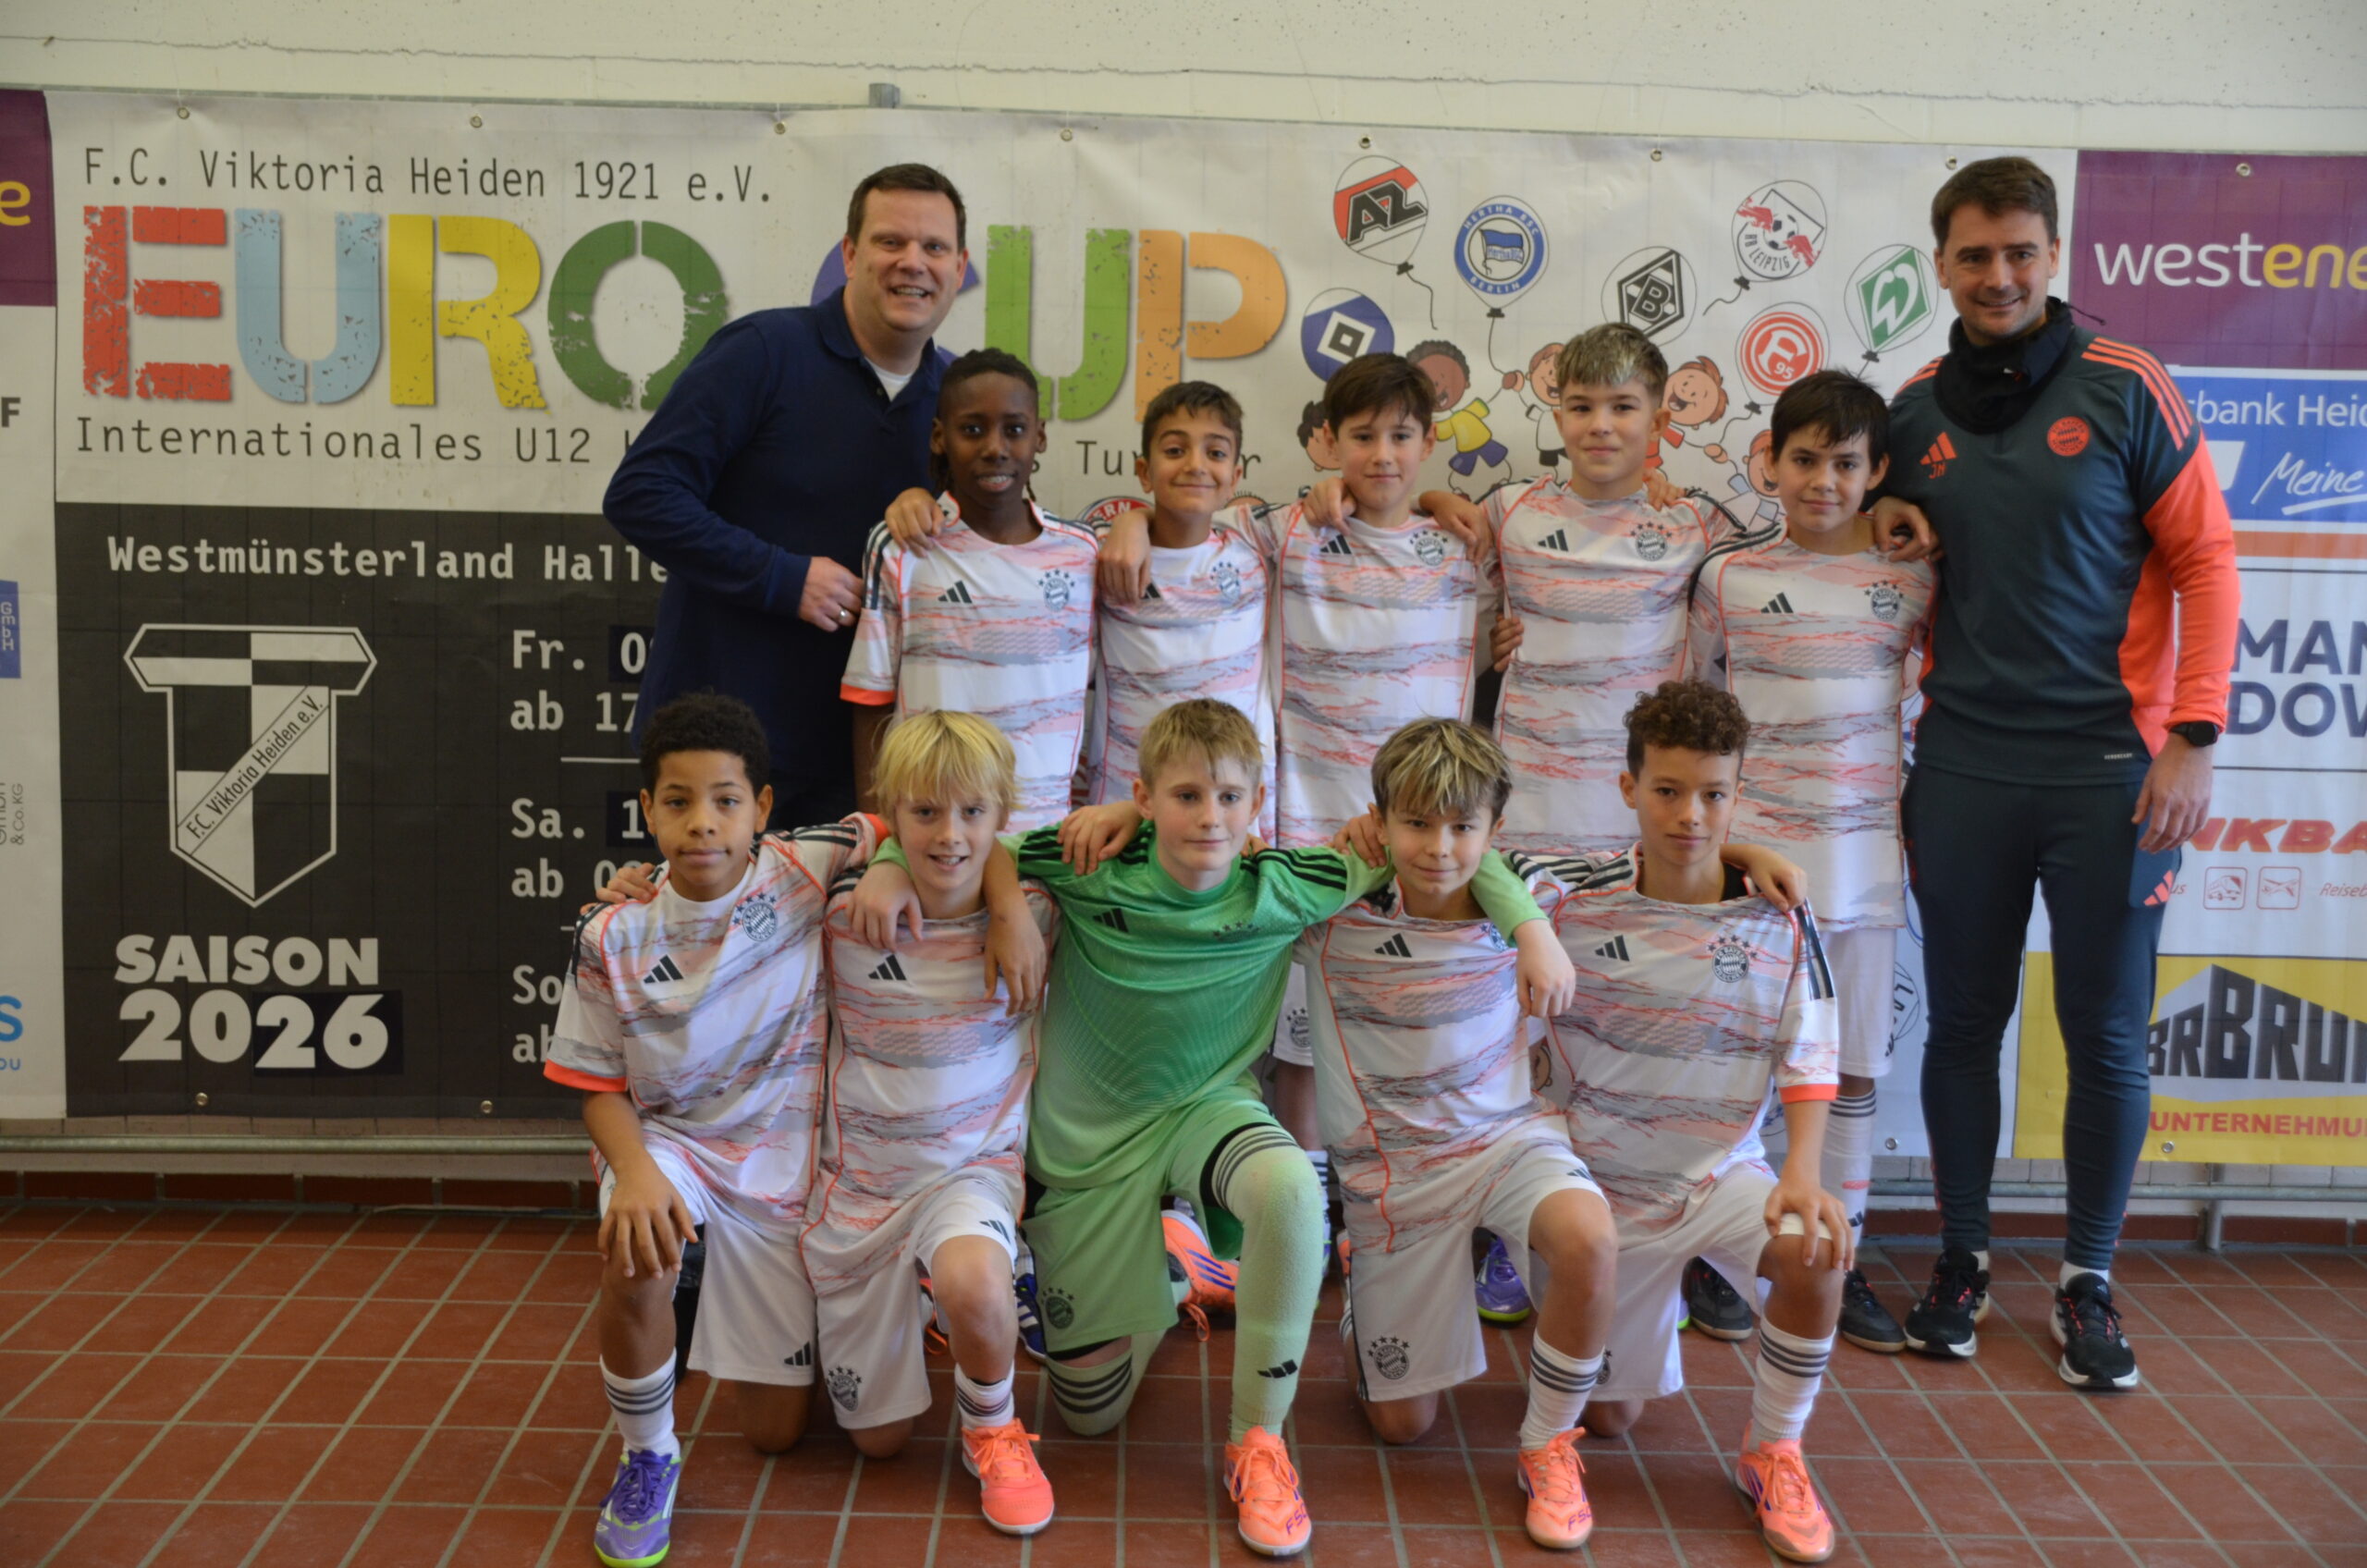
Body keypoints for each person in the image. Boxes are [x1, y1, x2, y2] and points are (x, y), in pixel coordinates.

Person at [847, 697, 1576, 1558]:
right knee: (1090, 1414)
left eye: (1229, 798)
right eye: (1186, 797)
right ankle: (1171, 1268)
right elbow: (977, 845)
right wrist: (898, 865)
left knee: (1292, 1189)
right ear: (1143, 797)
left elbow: (1459, 855)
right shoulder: (1087, 862)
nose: (1210, 818)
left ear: (1258, 803)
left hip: (1210, 1113)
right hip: (1088, 1149)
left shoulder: (1287, 883)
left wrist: (1530, 926)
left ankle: (1258, 1444)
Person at [1872, 157, 2238, 1388]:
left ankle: (2088, 1278)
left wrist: (2193, 735)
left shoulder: (2127, 383)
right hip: (1962, 770)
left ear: (2054, 255)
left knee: (2107, 1034)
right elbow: (1869, 547)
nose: (1999, 276)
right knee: (1964, 1023)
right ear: (1940, 264)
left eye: (2021, 252)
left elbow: (2209, 561)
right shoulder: (1909, 414)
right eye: (1975, 255)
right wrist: (1882, 525)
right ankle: (1961, 1261)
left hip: (2111, 777)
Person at [546, 693, 1037, 1568]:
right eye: (678, 803)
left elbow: (936, 821)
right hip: (673, 1149)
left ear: (763, 808)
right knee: (636, 1249)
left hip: (781, 1177)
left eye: (726, 801)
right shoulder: (611, 931)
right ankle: (647, 1455)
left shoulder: (804, 868)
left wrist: (981, 895)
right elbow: (596, 1087)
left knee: (781, 1433)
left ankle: (916, 1315)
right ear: (648, 810)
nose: (704, 823)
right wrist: (637, 1173)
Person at [1098, 353, 1491, 1270]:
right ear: (1325, 441)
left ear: (1430, 442)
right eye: (1362, 435)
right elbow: (1182, 514)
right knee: (1290, 1036)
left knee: (1430, 1025)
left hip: (1428, 830)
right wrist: (1126, 520)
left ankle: (1427, 1210)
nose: (1382, 454)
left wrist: (1441, 500)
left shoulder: (1470, 540)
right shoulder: (1284, 531)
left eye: (1402, 436)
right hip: (1302, 832)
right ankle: (1290, 1209)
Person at [1547, 681, 1849, 1565]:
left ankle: (1775, 1451)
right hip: (1598, 1187)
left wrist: (1803, 1173)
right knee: (1612, 1420)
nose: (1691, 815)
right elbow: (1464, 862)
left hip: (1721, 1173)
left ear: (1738, 793)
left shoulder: (1782, 915)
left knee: (1814, 1247)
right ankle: (1606, 1312)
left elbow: (1809, 1053)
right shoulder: (1568, 897)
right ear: (1628, 788)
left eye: (1715, 795)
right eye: (1668, 791)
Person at [1686, 369, 1934, 1354]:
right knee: (1737, 1067)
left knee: (1853, 1073)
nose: (1822, 481)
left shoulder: (1915, 578)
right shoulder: (1727, 578)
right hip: (1750, 868)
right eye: (1803, 460)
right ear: (1770, 463)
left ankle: (1839, 1256)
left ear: (1877, 472)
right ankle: (1722, 1257)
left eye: (1844, 463)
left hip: (1864, 868)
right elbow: (1691, 703)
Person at [604, 165, 967, 824]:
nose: (913, 262)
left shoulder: (959, 396)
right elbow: (641, 492)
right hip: (725, 761)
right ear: (850, 254)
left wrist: (1137, 529)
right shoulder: (764, 351)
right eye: (890, 242)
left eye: (934, 247)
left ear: (959, 267)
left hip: (871, 765)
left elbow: (1003, 538)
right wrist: (783, 578)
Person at [801, 712, 1060, 1535]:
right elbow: (730, 867)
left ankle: (993, 1427)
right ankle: (911, 1302)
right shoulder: (838, 909)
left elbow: (1145, 833)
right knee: (876, 1443)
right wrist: (642, 889)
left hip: (970, 1169)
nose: (950, 835)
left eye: (974, 813)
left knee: (976, 1283)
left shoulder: (1041, 910)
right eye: (923, 813)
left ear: (1002, 814)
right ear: (891, 812)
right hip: (864, 1187)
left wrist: (1007, 897)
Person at [840, 349, 1098, 832]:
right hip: (936, 834)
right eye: (973, 429)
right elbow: (870, 701)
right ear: (940, 437)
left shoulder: (1083, 554)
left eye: (1014, 429)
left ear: (1040, 436)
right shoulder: (904, 547)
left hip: (1045, 833)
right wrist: (879, 831)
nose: (995, 447)